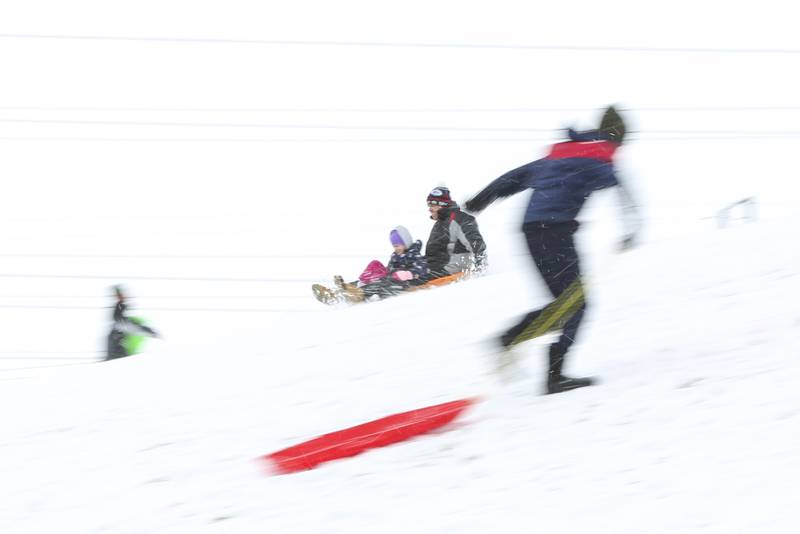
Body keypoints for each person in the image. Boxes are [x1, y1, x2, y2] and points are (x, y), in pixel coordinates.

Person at [464, 105, 640, 394]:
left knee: (564, 304)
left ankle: (514, 343)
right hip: (555, 232)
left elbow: (516, 176)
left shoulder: (562, 153)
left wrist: (480, 201)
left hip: (531, 231)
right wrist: (632, 228)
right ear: (617, 137)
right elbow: (624, 192)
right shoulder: (601, 159)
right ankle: (550, 374)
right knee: (575, 305)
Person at [313, 226, 428, 304]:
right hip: (391, 279)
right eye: (394, 246)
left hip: (403, 285)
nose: (396, 248)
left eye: (398, 245)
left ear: (406, 242)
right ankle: (336, 291)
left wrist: (409, 274)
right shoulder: (395, 256)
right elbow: (390, 269)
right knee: (373, 274)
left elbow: (422, 268)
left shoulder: (415, 255)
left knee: (380, 284)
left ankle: (359, 293)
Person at [424, 186, 487, 279]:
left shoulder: (459, 219)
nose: (430, 209)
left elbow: (477, 244)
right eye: (429, 205)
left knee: (405, 283)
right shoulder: (440, 224)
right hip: (434, 270)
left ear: (442, 205)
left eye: (432, 205)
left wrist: (481, 270)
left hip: (449, 271)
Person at [106, 285, 159, 361]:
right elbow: (131, 327)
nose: (125, 297)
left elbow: (130, 326)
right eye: (121, 295)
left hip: (117, 354)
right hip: (117, 356)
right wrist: (150, 332)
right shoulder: (119, 321)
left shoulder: (119, 317)